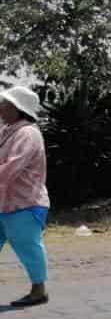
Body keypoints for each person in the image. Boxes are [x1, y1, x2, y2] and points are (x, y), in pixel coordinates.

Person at [0, 86, 51, 307]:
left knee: (27, 245)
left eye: (5, 104)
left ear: (18, 109)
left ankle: (39, 290)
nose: (1, 107)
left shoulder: (28, 133)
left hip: (25, 203)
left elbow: (11, 167)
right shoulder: (7, 131)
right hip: (4, 202)